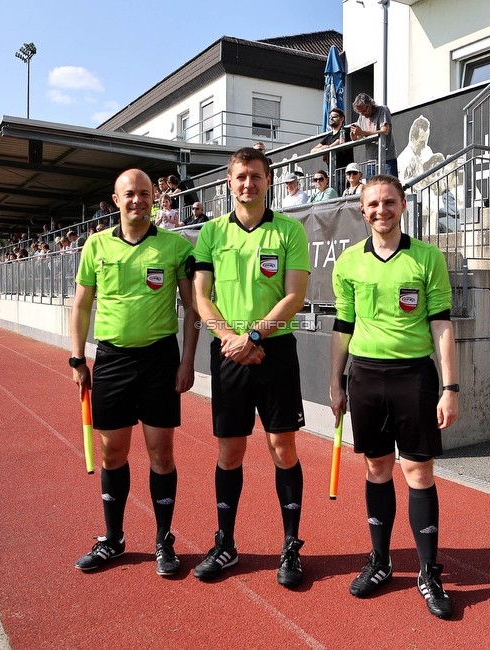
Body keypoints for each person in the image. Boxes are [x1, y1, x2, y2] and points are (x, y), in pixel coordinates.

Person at [329, 174, 458, 619]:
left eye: (388, 202)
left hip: (414, 378)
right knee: (376, 467)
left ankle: (427, 571)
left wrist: (449, 387)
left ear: (403, 205)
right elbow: (343, 326)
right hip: (364, 377)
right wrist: (334, 382)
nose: (380, 210)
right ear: (362, 211)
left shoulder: (427, 257)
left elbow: (442, 325)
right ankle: (381, 561)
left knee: (418, 472)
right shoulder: (347, 262)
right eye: (372, 205)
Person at [70, 168, 199, 577]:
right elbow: (81, 306)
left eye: (145, 194)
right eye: (130, 194)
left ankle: (164, 541)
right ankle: (113, 539)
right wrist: (78, 359)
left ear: (154, 200)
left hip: (160, 360)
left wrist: (187, 361)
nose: (138, 200)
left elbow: (192, 309)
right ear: (115, 200)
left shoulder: (175, 247)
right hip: (111, 360)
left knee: (161, 452)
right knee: (113, 452)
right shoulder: (95, 245)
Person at [191, 147, 311, 588]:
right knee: (230, 452)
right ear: (229, 181)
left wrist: (255, 337)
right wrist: (232, 340)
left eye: (256, 176)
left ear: (268, 180)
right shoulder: (210, 234)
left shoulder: (289, 232)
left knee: (283, 449)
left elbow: (294, 297)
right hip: (228, 352)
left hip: (274, 351)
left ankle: (291, 546)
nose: (248, 183)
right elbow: (202, 297)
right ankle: (226, 544)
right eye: (240, 176)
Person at [349, 93, 399, 178]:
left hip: (387, 158)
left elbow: (385, 130)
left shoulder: (383, 110)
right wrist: (354, 137)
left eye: (364, 110)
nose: (363, 114)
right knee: (371, 188)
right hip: (371, 161)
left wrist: (362, 133)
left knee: (390, 187)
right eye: (360, 112)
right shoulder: (362, 117)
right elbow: (360, 135)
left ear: (370, 105)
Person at [311, 108, 353, 186]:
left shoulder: (346, 131)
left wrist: (327, 148)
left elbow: (338, 142)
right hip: (333, 173)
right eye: (330, 116)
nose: (331, 118)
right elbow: (313, 150)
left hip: (346, 172)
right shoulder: (328, 136)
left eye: (334, 116)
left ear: (342, 119)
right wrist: (322, 149)